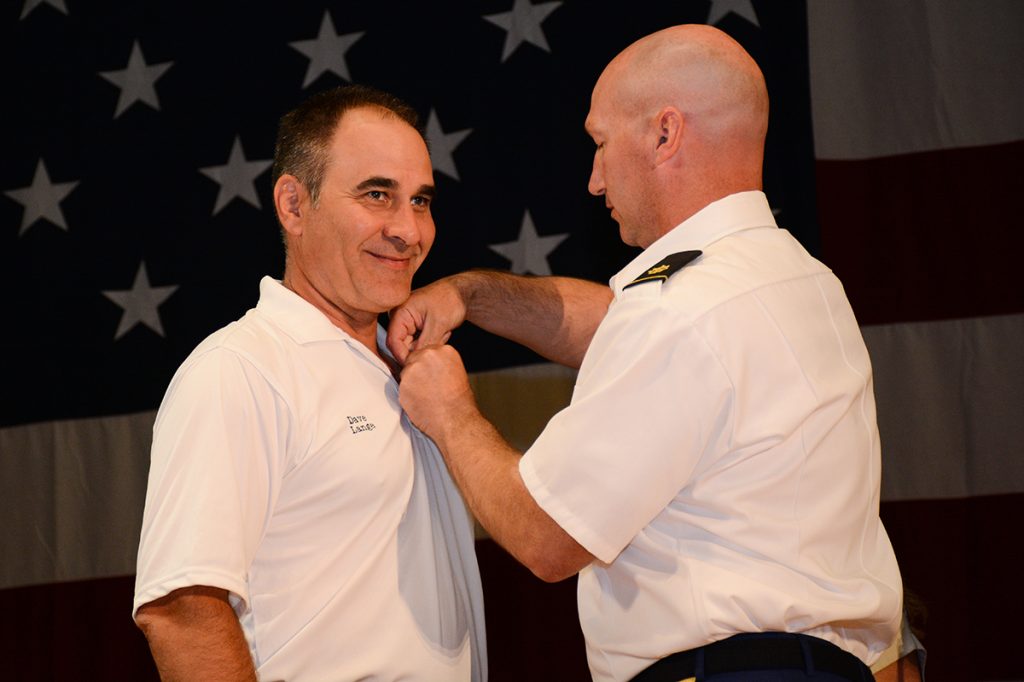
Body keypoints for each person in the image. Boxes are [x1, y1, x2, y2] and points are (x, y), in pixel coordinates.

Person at [388, 24, 901, 682]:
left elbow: (545, 536)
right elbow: (616, 325)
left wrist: (449, 411)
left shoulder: (680, 315)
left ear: (665, 134)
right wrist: (474, 294)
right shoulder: (795, 278)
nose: (596, 181)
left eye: (601, 144)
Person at [133, 85, 486, 681]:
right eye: (377, 195)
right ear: (293, 205)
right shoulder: (241, 370)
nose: (408, 230)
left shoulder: (419, 370)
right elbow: (182, 610)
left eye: (421, 201)